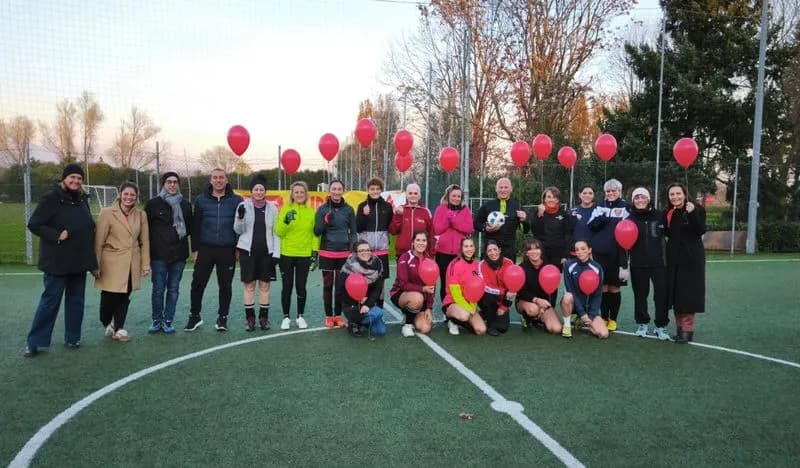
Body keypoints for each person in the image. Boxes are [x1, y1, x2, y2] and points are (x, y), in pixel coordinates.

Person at [24, 163, 97, 357]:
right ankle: (36, 342)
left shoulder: (82, 200)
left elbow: (88, 229)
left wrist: (92, 263)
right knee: (49, 303)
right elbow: (34, 224)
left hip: (78, 262)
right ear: (64, 179)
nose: (76, 181)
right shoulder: (51, 198)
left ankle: (73, 338)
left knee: (76, 302)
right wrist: (56, 235)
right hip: (56, 262)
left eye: (79, 178)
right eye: (72, 177)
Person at [93, 181, 151, 342]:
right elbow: (98, 241)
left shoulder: (141, 215)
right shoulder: (106, 213)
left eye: (132, 195)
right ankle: (106, 321)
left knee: (124, 297)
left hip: (132, 262)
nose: (129, 197)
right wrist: (95, 265)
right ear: (120, 195)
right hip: (110, 262)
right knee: (108, 297)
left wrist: (145, 264)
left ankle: (119, 328)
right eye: (126, 194)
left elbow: (145, 241)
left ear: (137, 197)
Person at [187, 168, 243, 332]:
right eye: (215, 178)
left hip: (227, 249)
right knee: (198, 283)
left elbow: (241, 226)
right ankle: (195, 316)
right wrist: (195, 249)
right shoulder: (201, 200)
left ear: (226, 180)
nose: (218, 180)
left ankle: (222, 317)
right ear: (211, 180)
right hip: (205, 248)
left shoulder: (237, 200)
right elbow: (195, 226)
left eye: (221, 178)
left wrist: (238, 247)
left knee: (225, 285)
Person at [145, 171, 192, 335]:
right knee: (158, 289)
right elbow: (146, 230)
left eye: (175, 182)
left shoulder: (185, 204)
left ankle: (168, 321)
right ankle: (157, 320)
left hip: (179, 255)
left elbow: (190, 228)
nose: (172, 184)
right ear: (163, 184)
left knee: (173, 289)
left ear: (178, 184)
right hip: (159, 255)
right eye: (169, 182)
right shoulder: (152, 204)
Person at [234, 175, 281, 331]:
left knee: (265, 286)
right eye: (256, 189)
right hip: (247, 252)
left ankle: (263, 318)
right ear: (251, 191)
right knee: (249, 286)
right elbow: (237, 230)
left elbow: (276, 233)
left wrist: (276, 253)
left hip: (266, 253)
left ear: (265, 191)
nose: (259, 192)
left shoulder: (273, 208)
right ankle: (250, 319)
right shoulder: (243, 206)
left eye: (261, 189)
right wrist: (240, 218)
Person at [664, 183, 706, 344]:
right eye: (672, 194)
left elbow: (700, 229)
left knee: (688, 294)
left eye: (678, 193)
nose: (675, 197)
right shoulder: (669, 213)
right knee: (676, 294)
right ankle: (679, 329)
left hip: (691, 259)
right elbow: (668, 233)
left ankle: (687, 331)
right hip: (673, 258)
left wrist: (692, 213)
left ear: (684, 194)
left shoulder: (697, 209)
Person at [587, 178, 630, 331]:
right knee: (603, 288)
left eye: (614, 191)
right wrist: (602, 218)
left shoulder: (626, 207)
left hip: (617, 254)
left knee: (615, 288)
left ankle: (614, 319)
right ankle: (604, 317)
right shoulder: (599, 205)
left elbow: (629, 230)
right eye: (608, 191)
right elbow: (591, 225)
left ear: (619, 191)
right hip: (599, 253)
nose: (611, 193)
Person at [627, 187, 670, 340]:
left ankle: (661, 326)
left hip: (659, 263)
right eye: (636, 198)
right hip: (638, 264)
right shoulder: (629, 218)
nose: (640, 200)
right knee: (640, 296)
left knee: (661, 296)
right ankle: (642, 323)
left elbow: (670, 234)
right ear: (633, 200)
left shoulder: (660, 215)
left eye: (642, 197)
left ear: (648, 199)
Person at [275, 181, 318, 330]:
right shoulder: (285, 209)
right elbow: (279, 232)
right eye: (296, 192)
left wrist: (314, 252)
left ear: (306, 194)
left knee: (301, 287)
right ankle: (286, 317)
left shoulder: (311, 211)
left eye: (302, 192)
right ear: (292, 194)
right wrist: (286, 220)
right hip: (286, 254)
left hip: (304, 255)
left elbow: (314, 235)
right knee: (286, 287)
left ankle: (300, 316)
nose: (299, 194)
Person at [314, 180, 357, 328]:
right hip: (327, 252)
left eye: (339, 189)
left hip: (344, 254)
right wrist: (325, 221)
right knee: (328, 285)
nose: (336, 192)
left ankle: (338, 316)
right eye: (334, 189)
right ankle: (328, 316)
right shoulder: (322, 209)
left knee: (340, 286)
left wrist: (352, 249)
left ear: (343, 191)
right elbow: (317, 231)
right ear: (330, 191)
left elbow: (353, 232)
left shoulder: (349, 210)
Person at [432, 184, 474, 302]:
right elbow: (437, 229)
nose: (456, 198)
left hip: (460, 253)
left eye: (458, 196)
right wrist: (447, 220)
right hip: (443, 252)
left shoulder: (465, 209)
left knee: (460, 281)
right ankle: (447, 310)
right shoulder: (441, 209)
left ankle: (460, 306)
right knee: (445, 281)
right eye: (453, 195)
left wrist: (454, 221)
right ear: (448, 196)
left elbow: (469, 228)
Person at [336, 241, 387, 338]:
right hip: (351, 305)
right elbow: (339, 292)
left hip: (368, 304)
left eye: (368, 250)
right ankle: (353, 322)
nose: (365, 252)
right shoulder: (348, 268)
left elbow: (377, 290)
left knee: (380, 331)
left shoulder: (377, 265)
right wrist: (357, 299)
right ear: (355, 253)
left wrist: (367, 304)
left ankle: (362, 322)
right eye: (361, 250)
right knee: (378, 313)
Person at [355, 177, 393, 307]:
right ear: (368, 190)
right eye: (372, 189)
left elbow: (389, 225)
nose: (375, 191)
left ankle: (379, 311)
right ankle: (363, 310)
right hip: (366, 252)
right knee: (365, 281)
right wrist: (364, 216)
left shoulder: (387, 207)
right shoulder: (362, 206)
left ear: (381, 190)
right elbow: (358, 227)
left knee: (380, 282)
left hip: (382, 251)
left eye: (377, 189)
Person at [560, 240, 609, 339]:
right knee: (567, 296)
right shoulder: (568, 265)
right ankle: (567, 325)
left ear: (589, 250)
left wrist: (590, 316)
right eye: (577, 249)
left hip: (589, 307)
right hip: (573, 304)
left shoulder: (597, 268)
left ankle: (581, 321)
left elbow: (598, 294)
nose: (580, 252)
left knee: (603, 334)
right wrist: (582, 313)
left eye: (583, 249)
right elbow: (570, 290)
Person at [390, 230, 434, 337]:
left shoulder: (429, 260)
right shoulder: (405, 258)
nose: (421, 243)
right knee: (417, 297)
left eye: (424, 240)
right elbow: (403, 284)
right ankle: (407, 325)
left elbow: (432, 286)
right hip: (401, 294)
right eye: (418, 240)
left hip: (420, 298)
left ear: (427, 242)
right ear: (413, 242)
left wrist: (429, 308)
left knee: (425, 328)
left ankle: (411, 314)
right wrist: (423, 289)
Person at [474, 177, 529, 262]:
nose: (503, 190)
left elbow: (525, 230)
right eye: (500, 187)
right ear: (496, 189)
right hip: (490, 249)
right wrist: (485, 228)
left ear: (511, 189)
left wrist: (524, 220)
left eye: (506, 187)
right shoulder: (487, 206)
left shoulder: (517, 206)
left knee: (508, 274)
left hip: (509, 250)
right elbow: (476, 224)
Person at [515, 238, 562, 335]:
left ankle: (539, 319)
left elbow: (553, 290)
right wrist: (536, 300)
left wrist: (547, 306)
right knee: (533, 310)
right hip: (526, 301)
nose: (533, 252)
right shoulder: (522, 268)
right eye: (530, 249)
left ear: (541, 251)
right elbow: (521, 291)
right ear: (526, 253)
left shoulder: (549, 266)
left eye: (536, 248)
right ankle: (527, 318)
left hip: (544, 304)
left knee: (556, 329)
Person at [441, 237, 486, 336]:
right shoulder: (455, 265)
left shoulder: (477, 264)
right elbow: (456, 295)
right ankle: (452, 321)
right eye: (466, 246)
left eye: (471, 246)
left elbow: (477, 289)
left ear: (474, 248)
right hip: (453, 302)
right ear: (461, 248)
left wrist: (472, 307)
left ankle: (464, 320)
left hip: (470, 303)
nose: (469, 249)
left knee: (481, 330)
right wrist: (469, 309)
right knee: (464, 316)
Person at [477, 240, 516, 336]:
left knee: (502, 328)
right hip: (487, 298)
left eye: (495, 249)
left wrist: (504, 307)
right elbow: (485, 286)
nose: (493, 253)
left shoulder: (509, 263)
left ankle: (483, 315)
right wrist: (504, 291)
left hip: (503, 300)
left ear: (499, 250)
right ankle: (490, 324)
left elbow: (513, 287)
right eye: (489, 250)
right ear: (486, 252)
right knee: (489, 296)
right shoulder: (481, 265)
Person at [531, 186, 574, 269]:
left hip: (559, 254)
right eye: (549, 197)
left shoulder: (564, 214)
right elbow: (535, 232)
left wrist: (565, 255)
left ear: (558, 200)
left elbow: (568, 235)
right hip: (542, 253)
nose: (551, 199)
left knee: (555, 278)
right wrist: (540, 215)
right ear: (544, 199)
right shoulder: (538, 212)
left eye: (554, 197)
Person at [388, 183, 434, 259]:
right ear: (406, 195)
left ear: (419, 196)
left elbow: (431, 234)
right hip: (402, 253)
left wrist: (431, 253)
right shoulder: (400, 209)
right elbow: (393, 231)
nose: (413, 195)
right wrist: (398, 216)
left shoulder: (425, 211)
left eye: (415, 193)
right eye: (410, 193)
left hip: (421, 253)